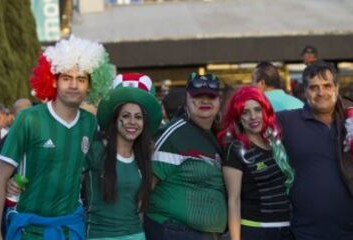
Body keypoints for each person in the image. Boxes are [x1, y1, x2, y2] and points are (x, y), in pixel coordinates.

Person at [0, 36, 113, 240]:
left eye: (81, 79)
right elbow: (0, 177)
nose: (74, 85)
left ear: (90, 85)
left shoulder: (89, 123)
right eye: (66, 78)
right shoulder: (29, 118)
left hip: (70, 228)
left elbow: (81, 170)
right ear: (54, 80)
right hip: (30, 229)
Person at [144, 72, 227, 240]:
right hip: (173, 230)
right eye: (198, 95)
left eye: (211, 96)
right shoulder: (175, 133)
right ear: (187, 99)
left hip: (204, 234)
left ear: (219, 101)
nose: (205, 100)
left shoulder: (218, 134)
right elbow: (145, 184)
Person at [277, 60, 353, 240]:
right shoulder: (287, 121)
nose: (321, 93)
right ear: (304, 92)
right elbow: (245, 121)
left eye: (327, 85)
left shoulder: (350, 122)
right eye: (314, 87)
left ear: (336, 88)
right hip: (305, 233)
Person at [85, 73, 162, 240]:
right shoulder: (96, 150)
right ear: (115, 120)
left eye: (138, 117)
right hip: (100, 235)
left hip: (136, 234)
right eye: (125, 116)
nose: (132, 122)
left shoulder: (145, 156)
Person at [218, 86, 294, 240]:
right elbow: (234, 201)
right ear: (238, 118)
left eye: (257, 110)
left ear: (265, 111)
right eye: (245, 112)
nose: (253, 117)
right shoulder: (236, 150)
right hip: (256, 231)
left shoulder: (274, 143)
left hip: (285, 230)